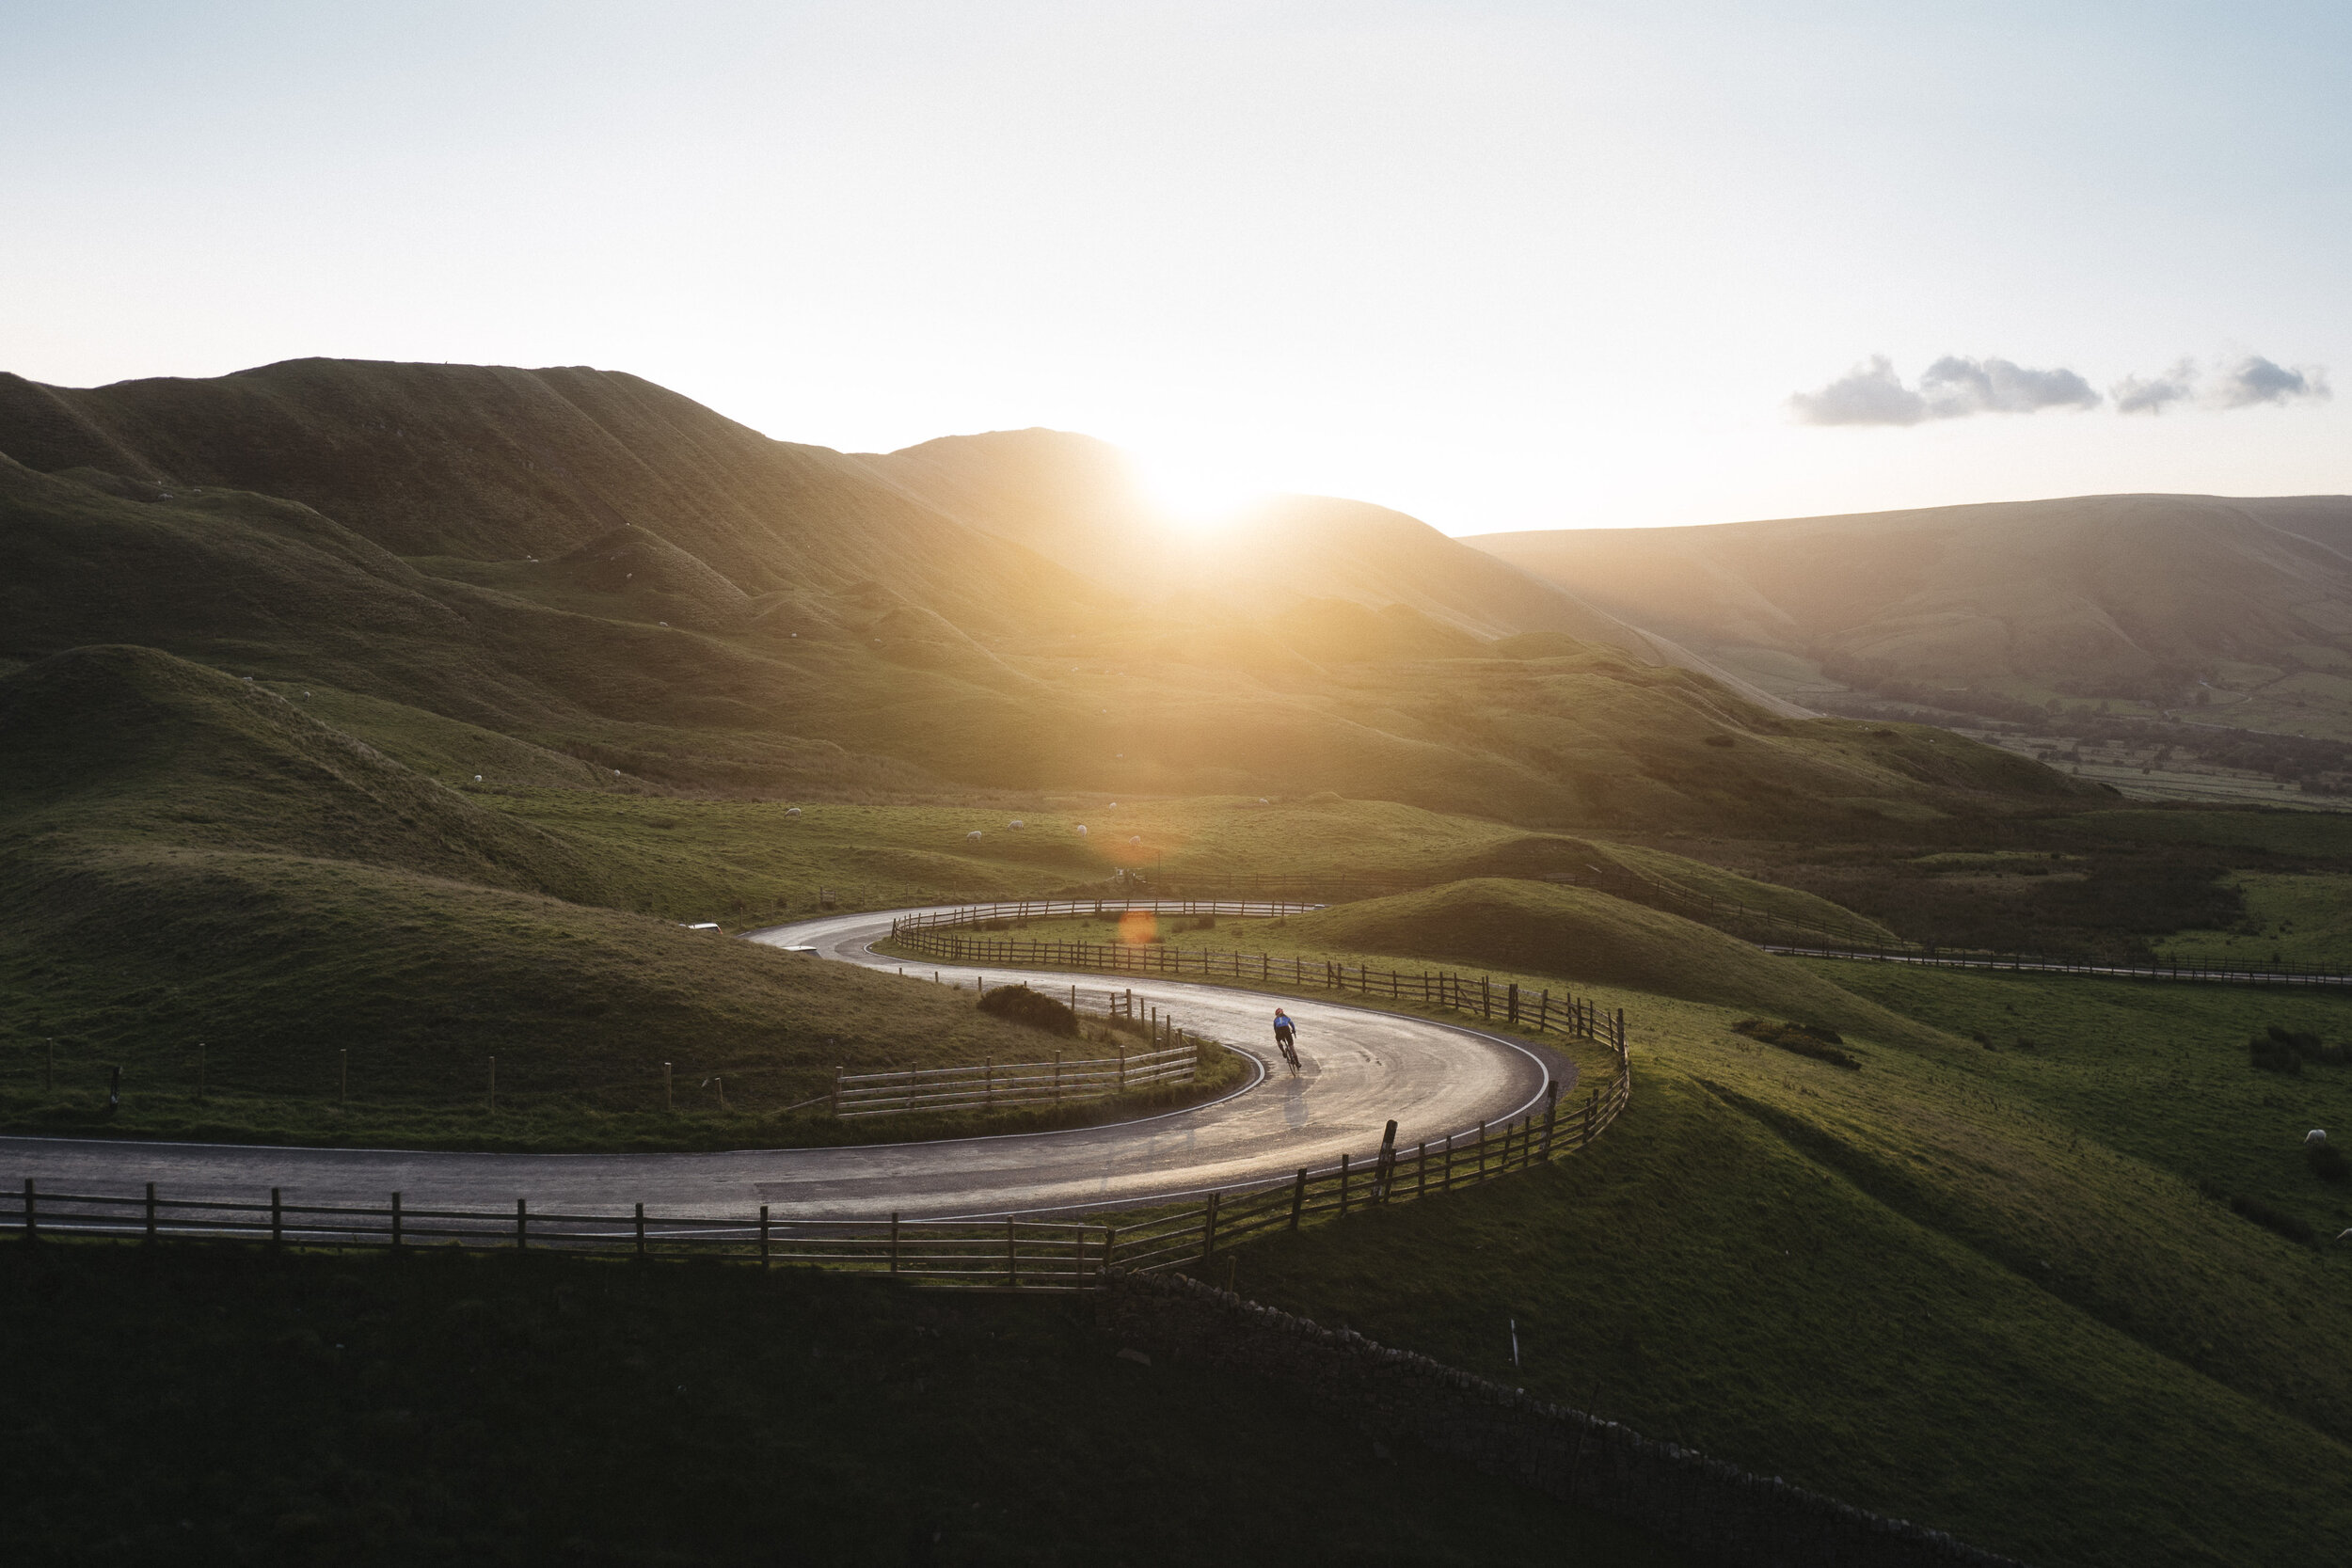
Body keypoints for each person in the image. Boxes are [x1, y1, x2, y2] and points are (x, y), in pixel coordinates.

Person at [1272, 1008, 1299, 1074]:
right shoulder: (1286, 1017)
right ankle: (1297, 1063)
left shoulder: (1275, 1020)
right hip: (1286, 1030)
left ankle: (1283, 1052)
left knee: (1278, 1041)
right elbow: (1292, 1024)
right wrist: (1293, 1030)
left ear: (1276, 1014)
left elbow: (1275, 1030)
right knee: (1292, 1047)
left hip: (1279, 1031)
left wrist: (1280, 1037)